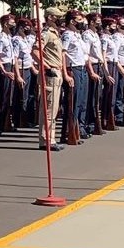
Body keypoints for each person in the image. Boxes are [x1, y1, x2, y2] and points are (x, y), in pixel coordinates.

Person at [37, 9, 67, 150]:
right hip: (51, 72)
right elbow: (35, 51)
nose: (61, 19)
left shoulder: (55, 33)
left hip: (57, 72)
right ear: (50, 18)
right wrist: (47, 68)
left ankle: (51, 138)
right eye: (58, 17)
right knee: (49, 108)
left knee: (54, 108)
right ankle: (46, 139)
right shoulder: (46, 33)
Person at [64, 11, 92, 140]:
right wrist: (65, 73)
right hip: (73, 69)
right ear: (72, 21)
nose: (82, 22)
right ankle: (70, 131)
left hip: (82, 69)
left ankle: (79, 128)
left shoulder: (78, 35)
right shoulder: (67, 35)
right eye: (79, 20)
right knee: (73, 102)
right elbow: (62, 55)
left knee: (81, 101)